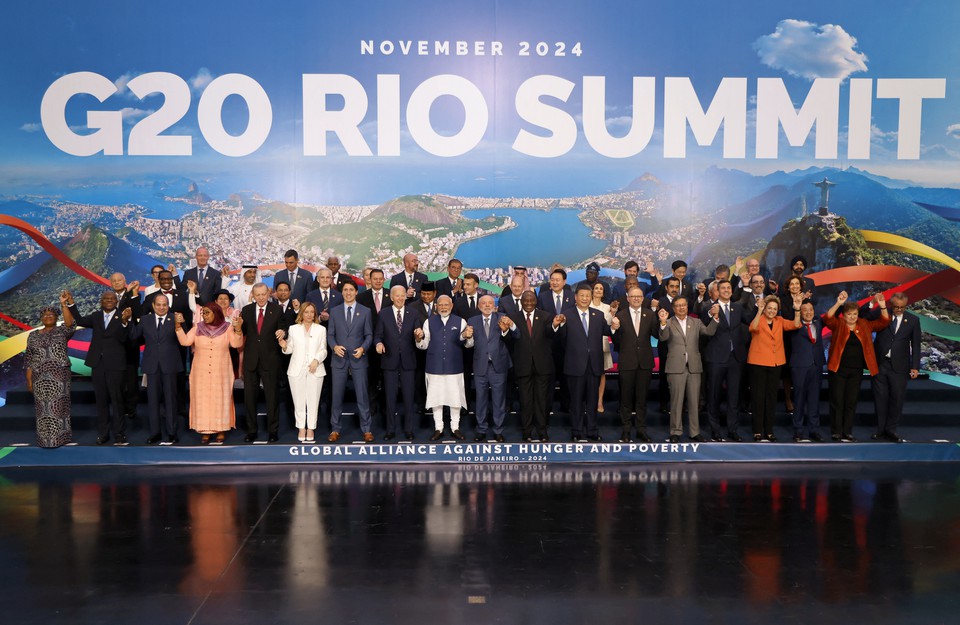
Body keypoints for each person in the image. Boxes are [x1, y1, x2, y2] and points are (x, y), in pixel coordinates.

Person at [65, 289, 133, 445]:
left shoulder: (123, 316)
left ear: (116, 301)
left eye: (112, 298)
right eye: (105, 298)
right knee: (101, 400)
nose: (109, 300)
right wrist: (71, 303)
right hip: (98, 364)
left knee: (117, 400)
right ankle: (103, 433)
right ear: (101, 301)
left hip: (116, 364)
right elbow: (80, 321)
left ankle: (120, 434)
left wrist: (125, 322)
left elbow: (125, 338)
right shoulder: (96, 316)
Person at [823, 291, 890, 442]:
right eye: (849, 314)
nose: (852, 317)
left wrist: (883, 306)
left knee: (851, 401)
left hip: (856, 371)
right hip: (838, 369)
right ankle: (836, 431)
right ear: (844, 315)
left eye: (854, 314)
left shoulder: (864, 324)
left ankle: (847, 432)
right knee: (837, 401)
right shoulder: (838, 324)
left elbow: (884, 322)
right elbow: (827, 318)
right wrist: (839, 303)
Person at [558, 283, 618, 442]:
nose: (584, 298)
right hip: (575, 365)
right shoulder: (566, 315)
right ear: (575, 298)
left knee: (592, 401)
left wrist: (614, 327)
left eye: (587, 296)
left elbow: (607, 331)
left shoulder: (598, 315)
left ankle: (592, 430)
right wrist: (559, 324)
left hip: (594, 365)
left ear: (591, 297)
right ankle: (577, 431)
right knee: (576, 402)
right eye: (581, 296)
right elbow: (560, 337)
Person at [175, 302, 242, 444]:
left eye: (207, 313)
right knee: (203, 400)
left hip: (221, 371)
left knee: (220, 399)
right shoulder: (197, 328)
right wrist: (178, 327)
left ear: (216, 313)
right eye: (203, 313)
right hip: (201, 372)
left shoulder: (227, 328)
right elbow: (185, 342)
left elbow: (236, 344)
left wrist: (238, 329)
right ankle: (204, 431)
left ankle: (220, 430)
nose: (204, 316)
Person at [657, 297, 717, 443]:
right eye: (678, 306)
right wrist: (663, 322)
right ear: (673, 308)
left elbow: (708, 332)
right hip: (676, 368)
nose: (682, 308)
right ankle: (675, 432)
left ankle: (694, 432)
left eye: (684, 305)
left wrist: (715, 318)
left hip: (694, 367)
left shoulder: (696, 322)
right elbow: (663, 338)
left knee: (694, 402)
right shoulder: (669, 322)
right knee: (676, 402)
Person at [236, 282, 287, 443]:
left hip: (270, 360)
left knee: (272, 398)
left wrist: (283, 331)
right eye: (257, 295)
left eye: (263, 294)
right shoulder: (247, 310)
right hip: (251, 360)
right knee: (249, 398)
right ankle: (252, 431)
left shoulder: (277, 310)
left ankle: (273, 431)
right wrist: (237, 327)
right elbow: (242, 332)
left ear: (268, 293)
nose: (260, 297)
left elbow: (283, 327)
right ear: (253, 294)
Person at [128, 294, 183, 444]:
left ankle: (172, 433)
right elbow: (134, 335)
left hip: (170, 364)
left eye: (164, 305)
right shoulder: (145, 319)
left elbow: (184, 339)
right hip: (151, 365)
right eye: (158, 304)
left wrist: (181, 325)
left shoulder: (175, 318)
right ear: (153, 306)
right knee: (152, 401)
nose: (161, 307)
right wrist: (126, 321)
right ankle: (155, 433)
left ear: (168, 306)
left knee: (171, 400)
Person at [508, 291, 561, 442]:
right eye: (526, 301)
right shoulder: (514, 317)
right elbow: (508, 339)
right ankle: (527, 432)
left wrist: (555, 325)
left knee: (541, 401)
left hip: (543, 365)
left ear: (536, 301)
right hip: (522, 365)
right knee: (525, 401)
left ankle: (542, 432)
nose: (529, 303)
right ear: (521, 302)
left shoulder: (546, 316)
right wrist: (506, 329)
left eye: (532, 300)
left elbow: (551, 334)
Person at [747, 294, 801, 442]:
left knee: (771, 399)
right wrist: (759, 311)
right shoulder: (760, 318)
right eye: (769, 308)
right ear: (765, 309)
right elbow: (753, 327)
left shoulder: (780, 321)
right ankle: (757, 431)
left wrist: (797, 309)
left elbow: (796, 325)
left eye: (774, 309)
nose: (771, 311)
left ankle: (769, 431)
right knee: (758, 398)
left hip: (775, 364)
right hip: (758, 363)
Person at [415, 294, 470, 440]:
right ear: (436, 306)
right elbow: (423, 345)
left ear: (451, 306)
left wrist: (467, 336)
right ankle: (438, 428)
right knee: (436, 399)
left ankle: (455, 427)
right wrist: (418, 338)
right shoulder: (429, 322)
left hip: (454, 367)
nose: (443, 307)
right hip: (434, 367)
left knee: (455, 398)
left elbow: (468, 344)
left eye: (446, 305)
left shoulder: (461, 321)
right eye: (441, 305)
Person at [24, 294, 76, 448]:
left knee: (59, 407)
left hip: (59, 376)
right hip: (39, 376)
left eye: (51, 314)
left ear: (56, 317)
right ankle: (44, 440)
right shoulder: (32, 335)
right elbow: (29, 358)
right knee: (42, 408)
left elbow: (70, 324)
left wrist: (64, 304)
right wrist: (29, 380)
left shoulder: (62, 331)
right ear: (41, 318)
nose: (48, 317)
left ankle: (60, 438)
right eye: (45, 315)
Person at [326, 280, 374, 442]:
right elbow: (330, 334)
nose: (348, 293)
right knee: (337, 396)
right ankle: (335, 429)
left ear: (356, 292)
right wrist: (334, 347)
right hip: (338, 359)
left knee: (362, 396)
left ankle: (366, 430)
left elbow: (369, 335)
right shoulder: (335, 311)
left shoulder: (365, 311)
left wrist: (363, 348)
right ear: (342, 293)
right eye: (345, 290)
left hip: (358, 358)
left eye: (351, 290)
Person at [702, 279, 749, 442]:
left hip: (735, 358)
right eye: (723, 288)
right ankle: (715, 430)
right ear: (717, 291)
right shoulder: (708, 307)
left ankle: (732, 430)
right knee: (714, 394)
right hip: (716, 357)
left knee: (733, 396)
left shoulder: (737, 307)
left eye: (729, 288)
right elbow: (705, 325)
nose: (727, 290)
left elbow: (749, 318)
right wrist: (711, 313)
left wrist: (758, 302)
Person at [871, 292, 920, 443]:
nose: (899, 310)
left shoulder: (913, 320)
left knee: (897, 399)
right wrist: (872, 303)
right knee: (880, 398)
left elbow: (916, 345)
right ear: (891, 305)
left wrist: (915, 366)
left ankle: (891, 430)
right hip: (880, 364)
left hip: (900, 366)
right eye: (896, 307)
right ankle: (880, 430)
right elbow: (864, 315)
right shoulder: (881, 314)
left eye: (902, 307)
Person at [375, 285, 421, 440]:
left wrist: (419, 335)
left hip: (408, 361)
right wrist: (378, 344)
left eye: (403, 295)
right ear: (392, 297)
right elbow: (378, 335)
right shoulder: (383, 314)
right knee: (390, 398)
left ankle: (409, 429)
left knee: (409, 398)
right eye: (398, 295)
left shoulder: (413, 313)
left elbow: (418, 333)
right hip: (389, 361)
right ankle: (390, 429)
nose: (401, 298)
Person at [611, 287, 657, 443]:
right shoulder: (620, 315)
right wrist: (613, 329)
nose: (636, 298)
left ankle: (641, 430)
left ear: (643, 298)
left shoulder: (650, 315)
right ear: (628, 298)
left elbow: (657, 335)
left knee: (642, 399)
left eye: (639, 296)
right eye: (633, 296)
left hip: (645, 362)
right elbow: (616, 341)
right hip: (627, 362)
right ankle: (626, 430)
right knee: (625, 398)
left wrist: (662, 322)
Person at [465, 295, 513, 442]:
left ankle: (498, 430)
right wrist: (467, 337)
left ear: (495, 305)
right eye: (484, 303)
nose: (487, 305)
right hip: (480, 366)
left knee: (499, 400)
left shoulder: (503, 317)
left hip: (498, 366)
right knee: (480, 400)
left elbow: (516, 335)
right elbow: (469, 344)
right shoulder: (472, 321)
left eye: (490, 303)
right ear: (479, 306)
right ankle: (481, 429)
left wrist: (506, 330)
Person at [278, 301, 328, 444]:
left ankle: (311, 427)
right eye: (306, 312)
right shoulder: (293, 329)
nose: (309, 315)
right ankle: (301, 427)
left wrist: (316, 360)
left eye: (312, 312)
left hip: (315, 369)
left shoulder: (320, 330)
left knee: (313, 400)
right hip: (296, 370)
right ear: (301, 313)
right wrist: (284, 346)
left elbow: (323, 350)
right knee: (299, 401)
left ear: (315, 314)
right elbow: (290, 350)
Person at [785, 298, 826, 442]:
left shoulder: (818, 322)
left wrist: (839, 303)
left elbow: (832, 315)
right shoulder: (794, 324)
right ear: (800, 312)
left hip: (816, 365)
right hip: (799, 366)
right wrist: (796, 307)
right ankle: (798, 430)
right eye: (805, 310)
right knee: (799, 399)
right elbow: (793, 319)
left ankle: (814, 430)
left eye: (811, 310)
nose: (808, 312)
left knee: (814, 399)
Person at [357, 268, 389, 428]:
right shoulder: (361, 297)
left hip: (387, 345)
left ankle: (386, 407)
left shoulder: (392, 295)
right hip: (368, 346)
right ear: (369, 280)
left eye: (380, 278)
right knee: (370, 378)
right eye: (374, 278)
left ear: (384, 279)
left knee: (387, 378)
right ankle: (371, 407)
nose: (377, 281)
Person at [109, 272, 142, 422]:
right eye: (114, 281)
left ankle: (132, 408)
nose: (117, 283)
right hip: (114, 345)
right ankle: (119, 407)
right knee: (117, 379)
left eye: (119, 280)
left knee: (131, 379)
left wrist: (130, 293)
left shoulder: (132, 295)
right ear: (110, 283)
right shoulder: (108, 298)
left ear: (125, 281)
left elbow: (137, 313)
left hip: (130, 343)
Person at [589, 282, 615, 413]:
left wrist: (613, 314)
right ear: (592, 291)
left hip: (602, 346)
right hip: (587, 346)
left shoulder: (607, 307)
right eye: (596, 288)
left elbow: (610, 326)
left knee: (601, 374)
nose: (598, 290)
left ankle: (599, 402)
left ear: (604, 293)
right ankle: (589, 402)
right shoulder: (586, 305)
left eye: (601, 289)